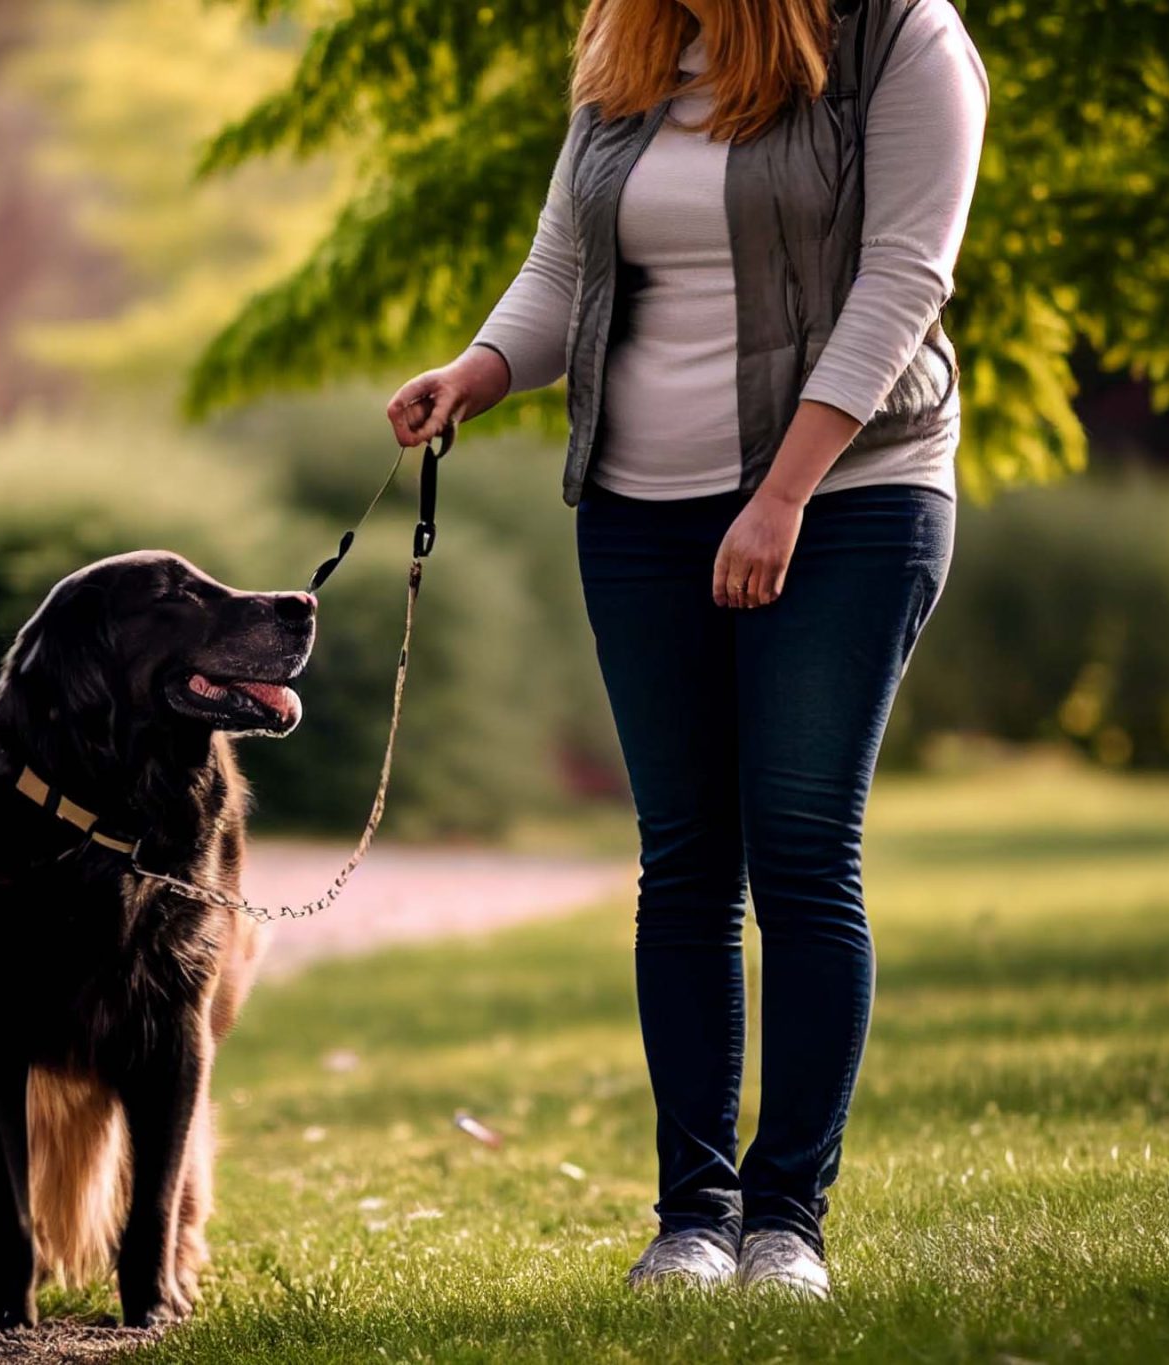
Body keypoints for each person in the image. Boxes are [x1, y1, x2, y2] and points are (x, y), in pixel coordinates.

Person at [384, 0, 987, 1298]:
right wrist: (480, 370)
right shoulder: (629, 48)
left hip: (849, 497)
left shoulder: (900, 39)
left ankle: (786, 1223)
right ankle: (693, 1219)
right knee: (685, 863)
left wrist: (781, 495)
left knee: (803, 852)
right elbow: (565, 270)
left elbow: (904, 279)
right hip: (637, 509)